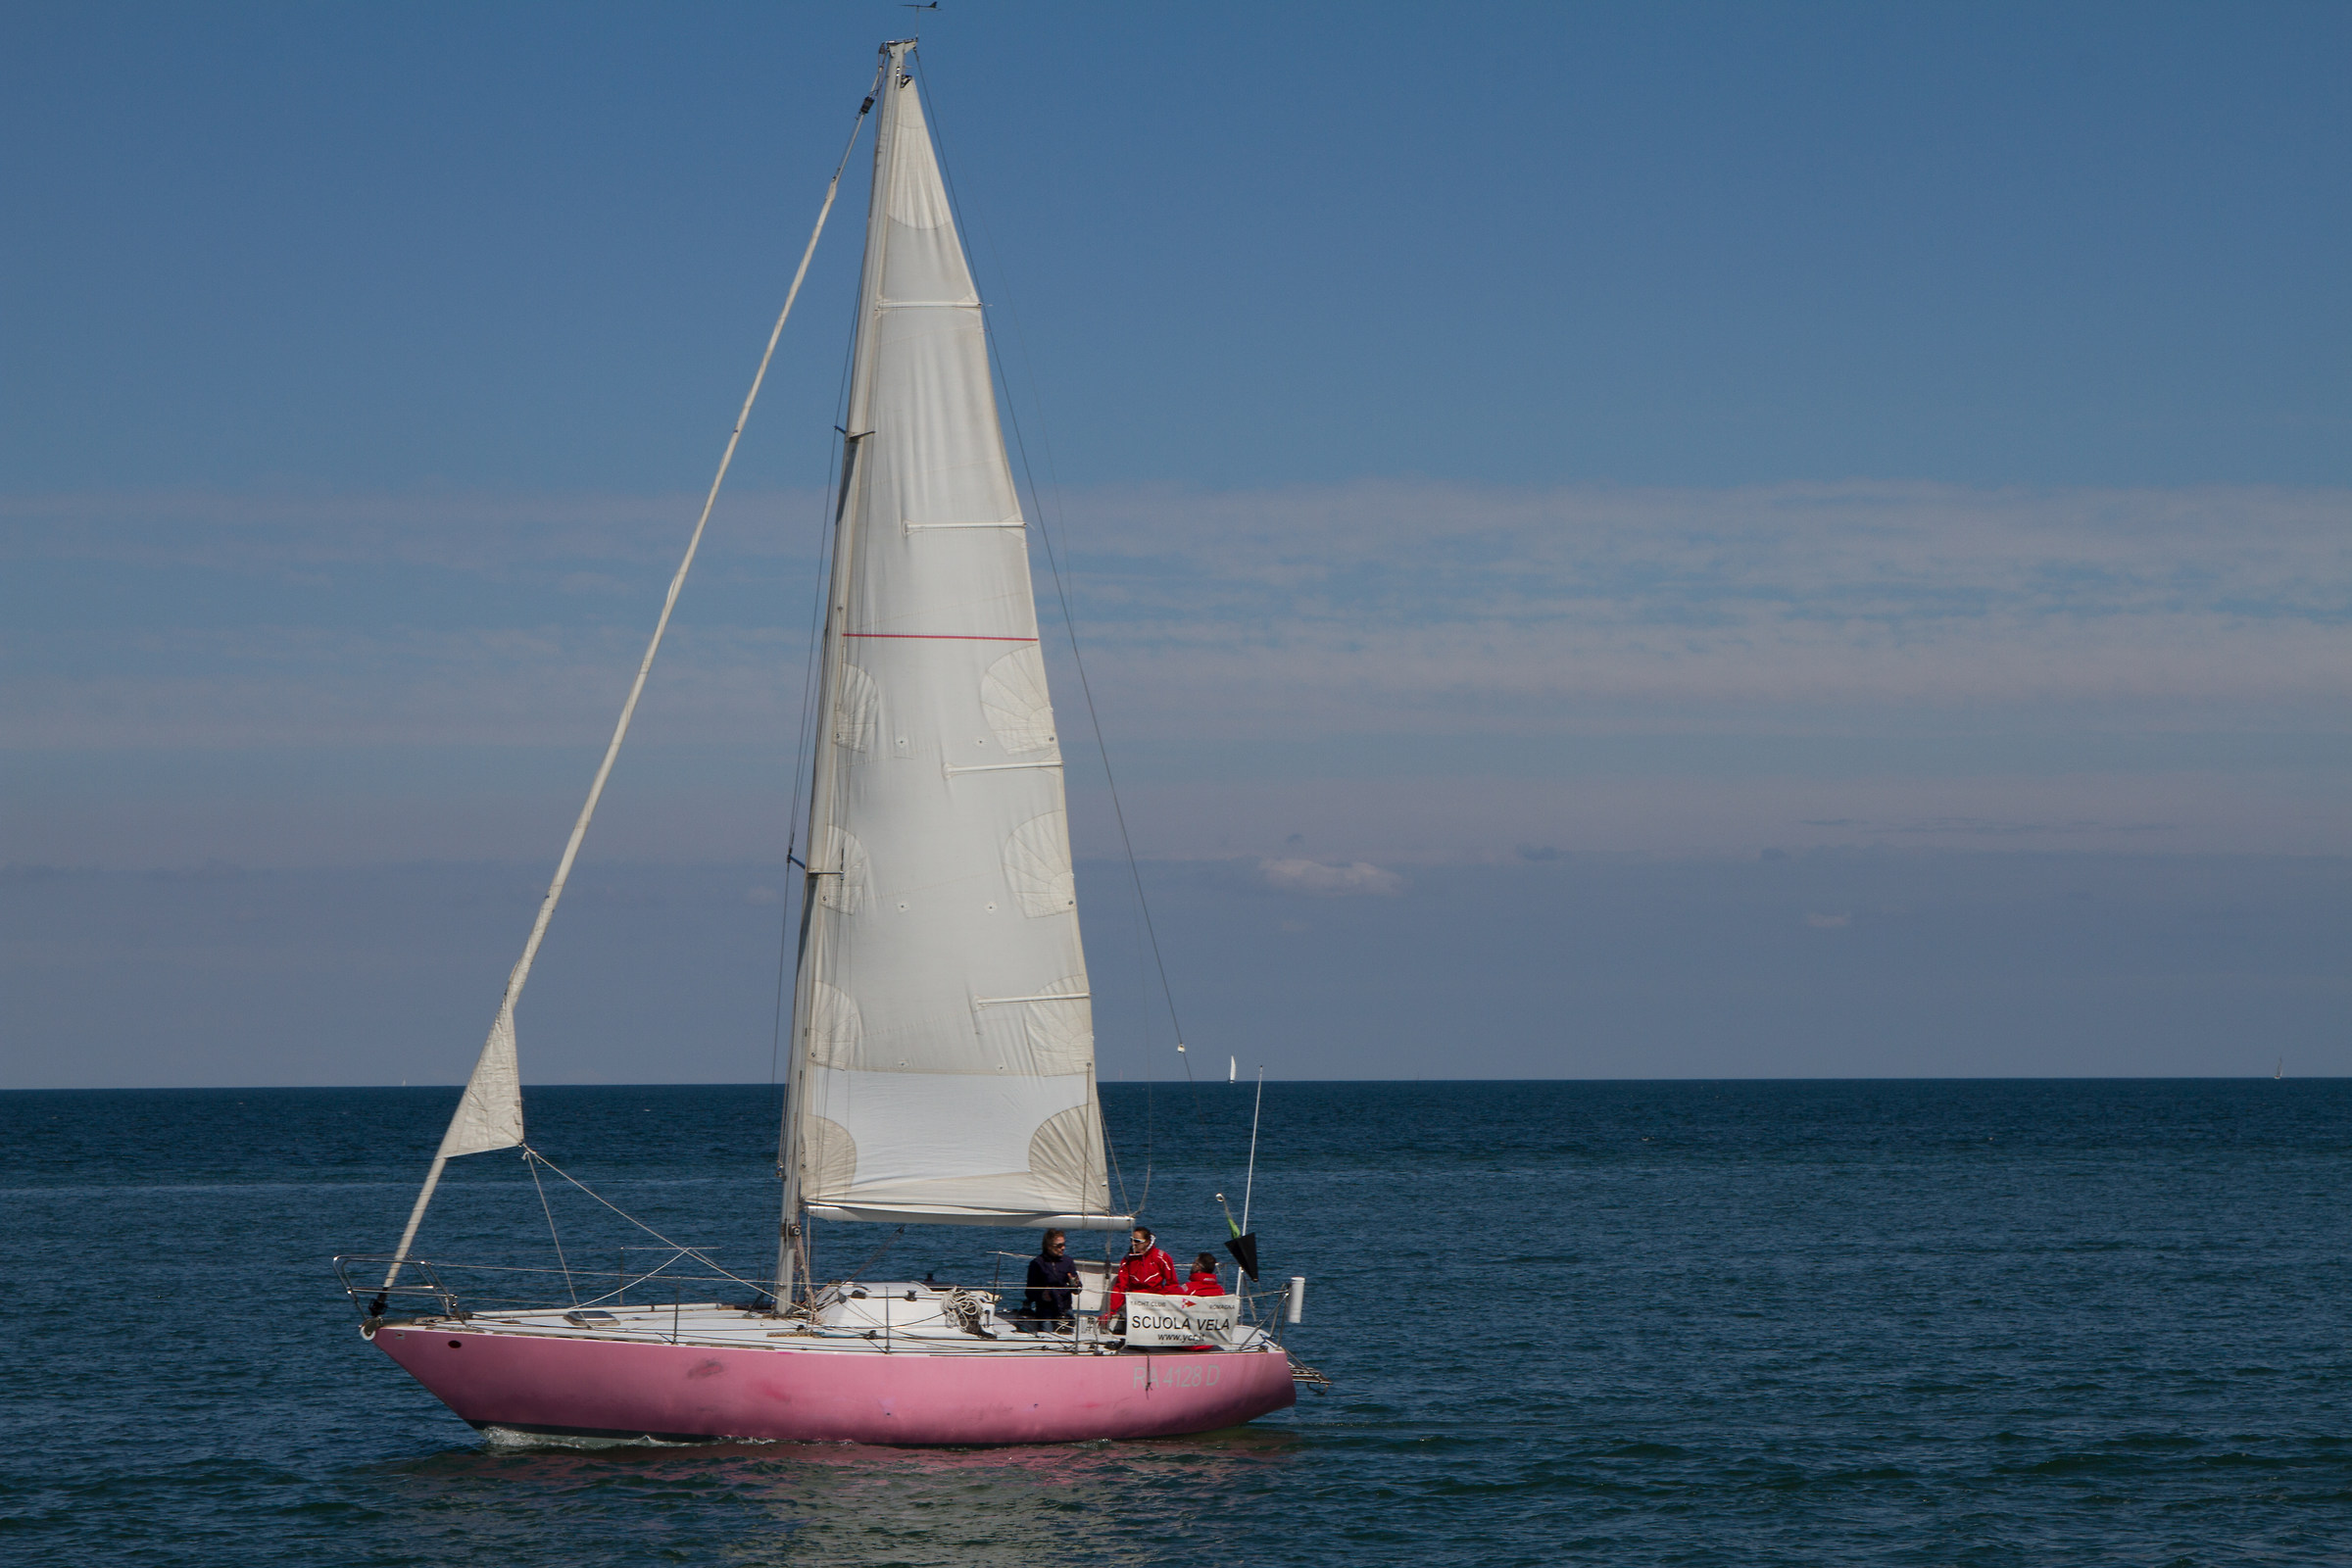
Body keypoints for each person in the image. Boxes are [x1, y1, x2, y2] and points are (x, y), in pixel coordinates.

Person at [1105, 1225, 1180, 1330]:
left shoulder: (1161, 1257)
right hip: (1133, 1301)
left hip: (1155, 1301)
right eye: (1131, 1240)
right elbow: (1120, 1286)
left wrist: (1163, 1301)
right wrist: (1111, 1311)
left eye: (1137, 1241)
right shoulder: (1128, 1260)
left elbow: (1172, 1284)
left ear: (1147, 1242)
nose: (1133, 1243)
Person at [1019, 1228, 1078, 1331]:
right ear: (1049, 1246)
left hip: (1065, 1308)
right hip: (1046, 1311)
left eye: (1064, 1244)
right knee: (1047, 1337)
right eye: (1059, 1246)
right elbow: (1029, 1292)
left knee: (1068, 1338)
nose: (1063, 1248)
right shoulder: (1037, 1263)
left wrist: (1075, 1284)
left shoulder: (1068, 1262)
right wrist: (1042, 1295)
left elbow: (1077, 1288)